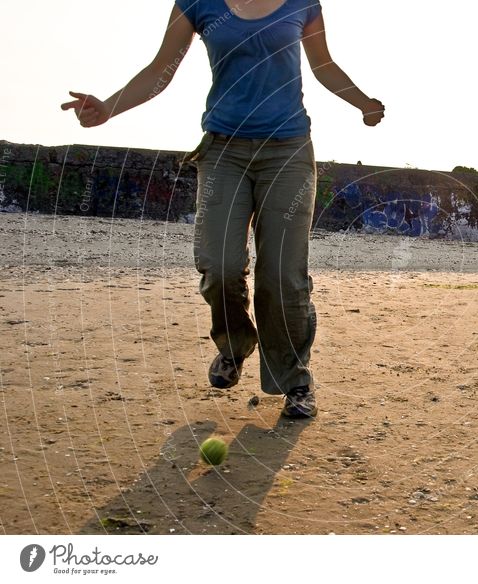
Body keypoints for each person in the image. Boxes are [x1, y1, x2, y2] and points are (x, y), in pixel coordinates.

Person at [61, 0, 385, 418]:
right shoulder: (197, 4)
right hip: (223, 152)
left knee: (283, 275)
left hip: (287, 152)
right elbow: (162, 69)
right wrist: (109, 106)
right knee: (219, 265)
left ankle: (295, 381)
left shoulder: (303, 3)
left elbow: (323, 65)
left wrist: (363, 103)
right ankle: (234, 345)